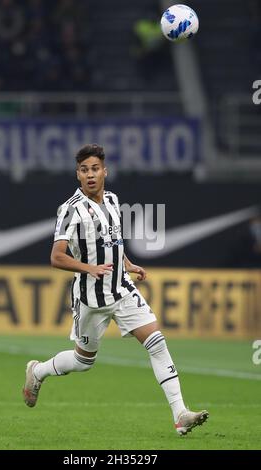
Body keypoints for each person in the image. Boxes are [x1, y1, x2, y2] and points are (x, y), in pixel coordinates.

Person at [22, 143, 209, 436]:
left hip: (122, 290)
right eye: (84, 170)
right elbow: (56, 256)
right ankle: (38, 371)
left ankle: (180, 414)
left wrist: (129, 264)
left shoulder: (112, 200)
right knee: (84, 361)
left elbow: (111, 244)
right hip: (90, 299)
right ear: (78, 175)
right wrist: (89, 269)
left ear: (104, 171)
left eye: (95, 169)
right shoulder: (70, 210)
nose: (90, 175)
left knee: (157, 341)